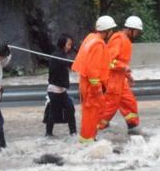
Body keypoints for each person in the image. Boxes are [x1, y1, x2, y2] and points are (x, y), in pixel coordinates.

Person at [71, 16, 115, 144]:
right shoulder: (98, 44)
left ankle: (87, 138)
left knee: (89, 111)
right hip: (92, 85)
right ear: (106, 31)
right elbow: (93, 69)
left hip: (86, 82)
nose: (112, 33)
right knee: (92, 112)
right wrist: (97, 89)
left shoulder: (91, 38)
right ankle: (88, 140)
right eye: (111, 30)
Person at [98, 16, 143, 135]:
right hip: (112, 80)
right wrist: (123, 67)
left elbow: (121, 61)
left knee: (130, 102)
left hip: (120, 80)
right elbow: (109, 61)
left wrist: (128, 76)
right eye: (137, 31)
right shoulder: (119, 38)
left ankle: (133, 128)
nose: (137, 34)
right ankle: (95, 130)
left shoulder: (125, 40)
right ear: (130, 29)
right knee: (109, 107)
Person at [43, 33, 76, 137]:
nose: (70, 47)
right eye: (68, 44)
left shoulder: (62, 55)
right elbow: (71, 64)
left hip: (62, 90)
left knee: (70, 109)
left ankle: (73, 133)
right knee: (53, 112)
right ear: (62, 44)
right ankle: (48, 134)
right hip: (54, 90)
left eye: (71, 45)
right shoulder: (57, 56)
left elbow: (71, 64)